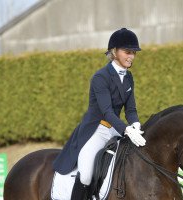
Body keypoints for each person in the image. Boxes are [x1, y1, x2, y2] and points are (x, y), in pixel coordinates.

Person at [52, 28, 146, 200]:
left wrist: (136, 125)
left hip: (116, 129)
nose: (131, 56)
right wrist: (127, 130)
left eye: (133, 52)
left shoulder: (129, 77)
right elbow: (107, 112)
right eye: (127, 52)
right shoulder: (100, 77)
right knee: (86, 174)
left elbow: (130, 109)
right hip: (97, 129)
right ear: (114, 52)